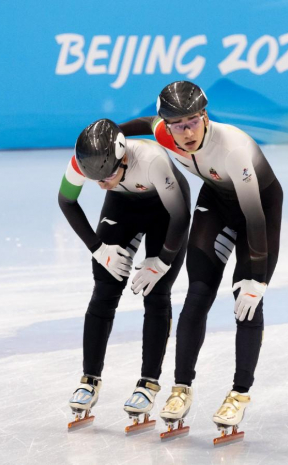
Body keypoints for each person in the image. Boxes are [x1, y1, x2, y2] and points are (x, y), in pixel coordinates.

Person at [119, 81, 283, 441]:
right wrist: (110, 134)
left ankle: (239, 394)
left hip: (259, 209)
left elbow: (254, 216)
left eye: (193, 121)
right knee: (196, 295)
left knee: (246, 301)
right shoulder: (163, 132)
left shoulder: (232, 149)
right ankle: (181, 389)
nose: (187, 132)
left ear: (205, 117)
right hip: (217, 202)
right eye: (178, 125)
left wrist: (257, 277)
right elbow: (142, 125)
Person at [58, 119, 191, 432]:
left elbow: (180, 215)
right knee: (104, 288)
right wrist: (97, 248)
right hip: (123, 207)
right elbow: (66, 200)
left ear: (123, 159)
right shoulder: (83, 160)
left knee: (156, 292)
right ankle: (89, 379)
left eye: (107, 177)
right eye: (95, 180)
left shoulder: (152, 160)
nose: (101, 184)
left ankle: (148, 383)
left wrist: (162, 261)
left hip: (166, 211)